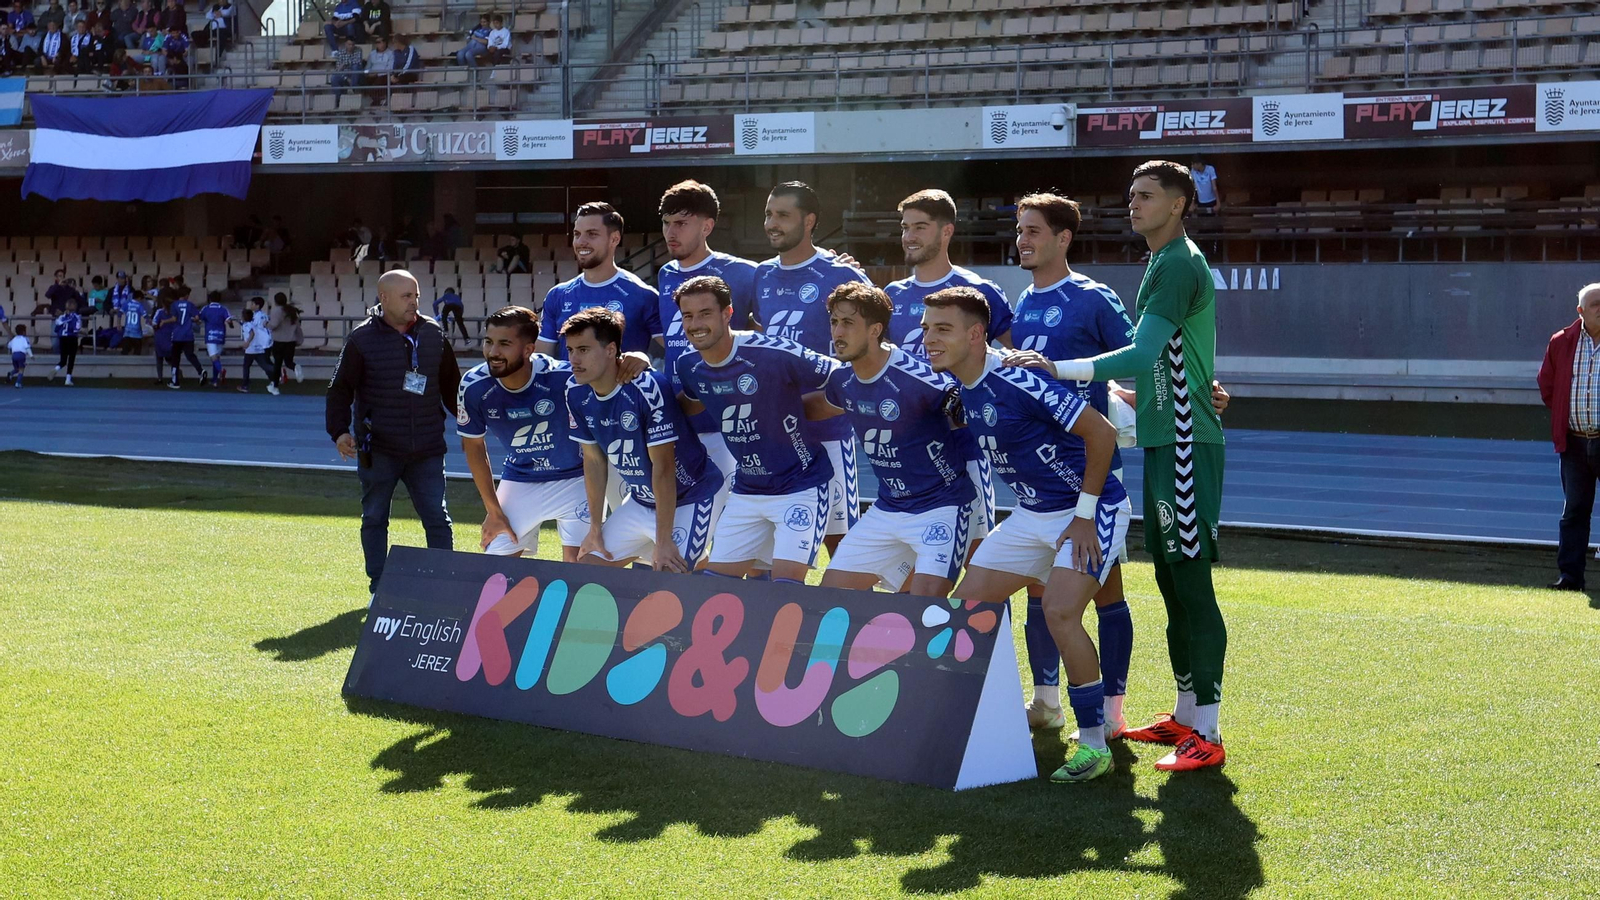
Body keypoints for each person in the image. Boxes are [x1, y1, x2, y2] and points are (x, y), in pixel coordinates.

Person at [1007, 160, 1229, 772]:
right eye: (1131, 195)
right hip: (1163, 437)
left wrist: (1058, 369)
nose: (1134, 204)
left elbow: (1142, 352)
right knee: (1170, 580)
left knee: (1190, 583)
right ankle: (1186, 715)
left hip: (1185, 440)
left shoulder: (1179, 261)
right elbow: (1168, 358)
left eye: (1148, 195)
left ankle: (1207, 728)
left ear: (1181, 204)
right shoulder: (1160, 262)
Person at [923, 285, 1130, 783]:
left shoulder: (1018, 380)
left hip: (1089, 510)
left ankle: (1095, 745)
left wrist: (1083, 516)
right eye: (927, 328)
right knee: (965, 609)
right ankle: (969, 719)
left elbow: (1100, 432)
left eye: (942, 329)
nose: (929, 338)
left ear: (976, 335)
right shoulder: (961, 385)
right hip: (1029, 516)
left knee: (1061, 613)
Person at [1006, 191, 1137, 733]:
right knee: (1040, 585)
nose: (1023, 240)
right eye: (1020, 230)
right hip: (1038, 474)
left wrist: (1129, 399)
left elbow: (1135, 360)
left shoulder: (1092, 297)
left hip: (1088, 468)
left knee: (1107, 589)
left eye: (1034, 230)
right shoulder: (1022, 301)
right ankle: (1047, 701)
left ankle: (1111, 712)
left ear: (1063, 238)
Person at [810, 283, 974, 598]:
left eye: (848, 323)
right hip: (887, 509)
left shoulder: (922, 378)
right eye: (834, 322)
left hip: (940, 507)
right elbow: (814, 408)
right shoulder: (841, 381)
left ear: (875, 330)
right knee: (826, 601)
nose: (838, 332)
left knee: (921, 611)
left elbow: (974, 418)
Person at [674, 275, 838, 584]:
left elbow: (842, 377)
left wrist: (816, 408)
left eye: (705, 313)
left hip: (800, 485)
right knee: (715, 589)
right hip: (747, 490)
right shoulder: (689, 365)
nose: (695, 323)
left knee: (786, 588)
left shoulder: (772, 353)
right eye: (688, 315)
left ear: (727, 313)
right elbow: (688, 403)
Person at [325, 269, 461, 598]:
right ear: (384, 299)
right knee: (374, 517)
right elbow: (340, 389)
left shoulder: (433, 333)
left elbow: (451, 386)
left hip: (427, 447)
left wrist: (471, 420)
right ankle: (378, 587)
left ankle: (445, 586)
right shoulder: (360, 339)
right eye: (406, 296)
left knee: (437, 518)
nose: (414, 302)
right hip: (380, 448)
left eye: (416, 295)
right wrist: (340, 431)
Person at [753, 180, 871, 556]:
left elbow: (878, 340)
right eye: (769, 214)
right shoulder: (760, 275)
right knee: (768, 545)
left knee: (842, 545)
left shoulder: (841, 275)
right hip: (774, 431)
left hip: (828, 429)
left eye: (783, 215)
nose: (773, 223)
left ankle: (867, 613)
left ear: (809, 221)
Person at [566, 307, 724, 572]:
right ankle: (700, 565)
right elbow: (593, 461)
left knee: (667, 574)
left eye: (583, 349)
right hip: (640, 501)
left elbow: (663, 468)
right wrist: (595, 528)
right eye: (570, 350)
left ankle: (698, 566)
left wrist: (663, 542)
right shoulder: (574, 391)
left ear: (610, 349)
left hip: (691, 496)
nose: (574, 359)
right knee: (587, 571)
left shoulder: (648, 388)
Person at [655, 180, 759, 516]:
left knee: (733, 519)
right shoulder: (666, 274)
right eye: (667, 223)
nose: (672, 231)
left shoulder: (744, 273)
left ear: (708, 226)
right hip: (679, 418)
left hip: (727, 421)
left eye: (682, 223)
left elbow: (762, 336)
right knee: (685, 521)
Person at [457, 305, 589, 561]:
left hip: (576, 478)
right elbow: (473, 448)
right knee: (494, 566)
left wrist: (637, 358)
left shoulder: (564, 377)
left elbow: (611, 370)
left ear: (528, 349)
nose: (493, 352)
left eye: (504, 344)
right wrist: (493, 510)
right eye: (488, 342)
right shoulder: (473, 385)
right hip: (520, 478)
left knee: (581, 570)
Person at [535, 202, 661, 360]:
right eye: (577, 234)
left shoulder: (643, 295)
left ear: (614, 239)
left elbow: (676, 350)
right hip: (567, 385)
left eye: (592, 234)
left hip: (621, 384)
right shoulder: (558, 295)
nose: (581, 241)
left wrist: (643, 360)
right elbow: (542, 360)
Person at [1537, 283, 1600, 591]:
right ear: (1581, 311)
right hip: (1574, 443)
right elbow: (1547, 385)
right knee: (1574, 510)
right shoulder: (1562, 342)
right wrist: (1566, 411)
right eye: (1595, 304)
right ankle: (1570, 577)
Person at [237, 297, 279, 395]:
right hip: (260, 345)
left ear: (257, 305)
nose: (251, 306)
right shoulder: (259, 316)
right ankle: (275, 378)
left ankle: (245, 385)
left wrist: (246, 342)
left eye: (252, 304)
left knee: (248, 366)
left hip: (260, 344)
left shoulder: (259, 317)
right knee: (264, 364)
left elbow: (253, 331)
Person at [168, 285, 206, 387]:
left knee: (175, 358)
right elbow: (197, 317)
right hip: (188, 335)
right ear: (185, 295)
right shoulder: (190, 305)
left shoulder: (174, 305)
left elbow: (175, 319)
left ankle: (175, 381)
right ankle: (200, 371)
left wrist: (165, 321)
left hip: (177, 335)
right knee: (190, 355)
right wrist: (193, 320)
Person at [197, 289, 234, 386]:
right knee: (217, 358)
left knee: (213, 358)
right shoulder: (223, 309)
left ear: (209, 299)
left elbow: (199, 319)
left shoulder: (206, 308)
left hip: (210, 335)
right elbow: (229, 321)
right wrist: (231, 325)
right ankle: (214, 380)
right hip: (221, 335)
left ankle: (221, 370)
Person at [268, 292, 302, 384]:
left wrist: (266, 325)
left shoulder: (276, 311)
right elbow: (297, 326)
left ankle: (275, 385)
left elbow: (274, 325)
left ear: (275, 301)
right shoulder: (292, 311)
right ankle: (295, 367)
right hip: (291, 341)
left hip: (279, 341)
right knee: (289, 362)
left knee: (277, 364)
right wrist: (299, 339)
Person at [50, 297, 83, 385]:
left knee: (63, 359)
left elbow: (56, 329)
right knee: (71, 359)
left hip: (62, 338)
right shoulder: (76, 316)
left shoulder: (61, 317)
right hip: (72, 338)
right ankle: (68, 379)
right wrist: (83, 332)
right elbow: (76, 329)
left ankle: (56, 368)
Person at [329, 36, 362, 101]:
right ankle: (338, 100)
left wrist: (344, 64)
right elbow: (338, 69)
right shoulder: (341, 52)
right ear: (345, 44)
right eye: (349, 44)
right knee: (334, 78)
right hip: (344, 74)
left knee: (355, 67)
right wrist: (346, 78)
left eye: (352, 44)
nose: (351, 46)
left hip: (355, 73)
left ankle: (353, 88)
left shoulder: (358, 50)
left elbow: (357, 63)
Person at [116, 288, 147, 356]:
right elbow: (146, 316)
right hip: (137, 333)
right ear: (139, 298)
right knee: (137, 351)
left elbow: (119, 313)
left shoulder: (127, 304)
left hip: (127, 332)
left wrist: (118, 324)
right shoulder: (140, 306)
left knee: (125, 352)